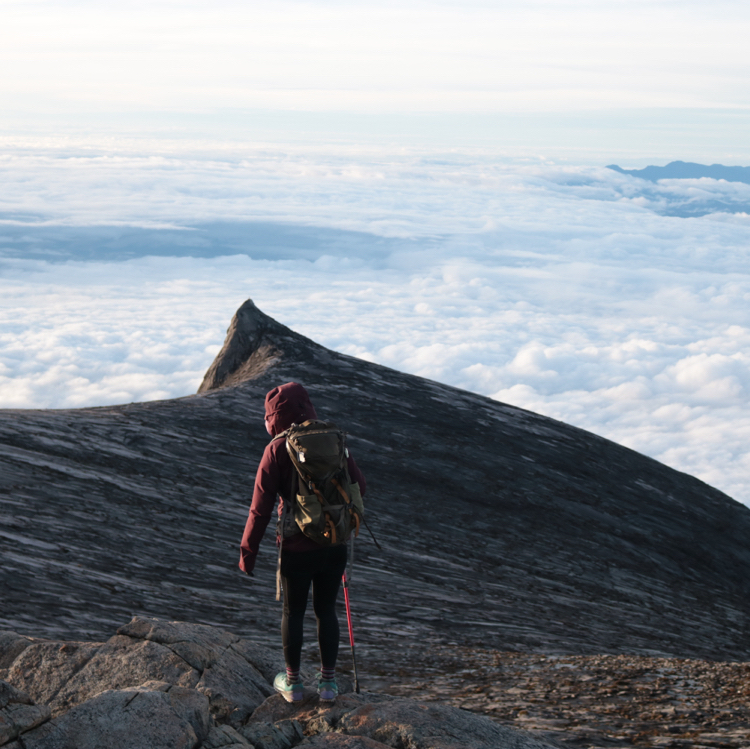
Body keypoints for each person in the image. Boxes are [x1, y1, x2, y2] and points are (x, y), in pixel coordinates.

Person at [239, 382, 366, 703]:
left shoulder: (276, 450)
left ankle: (293, 684)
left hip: (296, 545)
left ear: (273, 417)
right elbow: (360, 486)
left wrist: (248, 554)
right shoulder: (334, 440)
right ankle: (328, 685)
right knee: (327, 610)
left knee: (293, 612)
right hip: (335, 542)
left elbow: (260, 508)